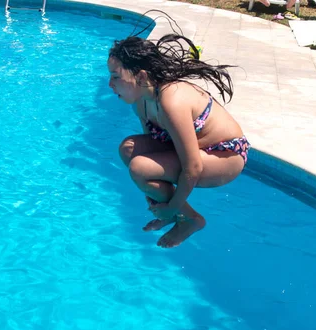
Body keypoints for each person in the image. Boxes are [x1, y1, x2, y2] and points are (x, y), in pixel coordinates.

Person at [107, 34, 250, 249]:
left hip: (224, 155)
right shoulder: (141, 103)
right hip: (197, 152)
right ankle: (173, 214)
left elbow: (192, 166)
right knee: (128, 149)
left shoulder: (172, 100)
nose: (110, 84)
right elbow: (153, 145)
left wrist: (172, 206)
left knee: (139, 168)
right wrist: (154, 197)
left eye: (115, 76)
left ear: (142, 76)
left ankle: (190, 219)